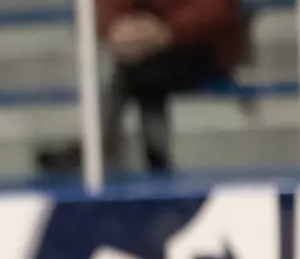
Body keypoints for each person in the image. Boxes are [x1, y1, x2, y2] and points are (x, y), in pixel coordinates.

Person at [100, 0, 248, 172]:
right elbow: (108, 10)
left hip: (201, 45)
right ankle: (151, 161)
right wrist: (119, 26)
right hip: (147, 50)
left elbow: (218, 10)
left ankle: (104, 154)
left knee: (136, 75)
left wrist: (168, 30)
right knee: (136, 72)